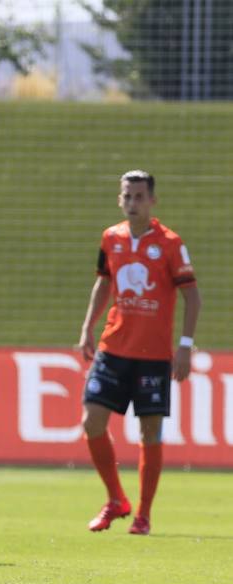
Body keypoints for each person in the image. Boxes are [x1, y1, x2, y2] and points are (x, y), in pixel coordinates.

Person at [77, 170, 200, 536]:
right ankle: (116, 499)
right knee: (91, 421)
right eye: (127, 196)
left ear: (152, 201)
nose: (133, 203)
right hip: (113, 348)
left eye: (140, 196)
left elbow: (192, 295)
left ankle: (143, 515)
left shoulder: (170, 243)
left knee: (150, 433)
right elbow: (104, 283)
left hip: (153, 355)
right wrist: (87, 327)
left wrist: (185, 346)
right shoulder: (110, 238)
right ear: (120, 199)